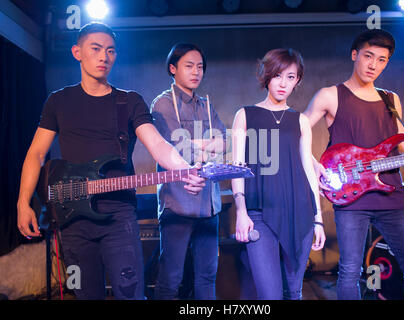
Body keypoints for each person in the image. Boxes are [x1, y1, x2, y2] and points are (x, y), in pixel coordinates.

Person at [16, 22, 205, 300]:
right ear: (77, 52)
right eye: (96, 49)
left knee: (130, 293)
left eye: (111, 51)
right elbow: (35, 154)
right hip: (71, 221)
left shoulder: (129, 102)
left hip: (119, 218)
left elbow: (158, 145)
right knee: (81, 293)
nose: (104, 56)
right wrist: (23, 203)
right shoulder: (58, 101)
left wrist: (184, 170)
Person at [304, 29, 404, 300]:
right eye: (368, 56)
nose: (373, 65)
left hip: (393, 197)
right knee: (349, 272)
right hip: (351, 201)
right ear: (354, 55)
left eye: (382, 60)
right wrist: (314, 165)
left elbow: (403, 148)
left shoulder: (390, 99)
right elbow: (297, 132)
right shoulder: (330, 95)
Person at [231, 48, 326, 300]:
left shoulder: (300, 121)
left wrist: (318, 218)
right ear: (267, 76)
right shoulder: (245, 115)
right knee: (269, 295)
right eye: (278, 75)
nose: (283, 83)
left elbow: (308, 169)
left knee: (294, 293)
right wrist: (241, 211)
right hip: (259, 214)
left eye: (291, 77)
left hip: (300, 213)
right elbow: (237, 168)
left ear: (298, 81)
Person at [150, 43, 227, 300]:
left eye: (200, 67)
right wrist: (205, 144)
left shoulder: (206, 104)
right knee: (171, 277)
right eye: (189, 66)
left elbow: (224, 142)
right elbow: (175, 148)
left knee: (207, 276)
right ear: (173, 68)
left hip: (209, 204)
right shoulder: (161, 105)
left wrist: (195, 145)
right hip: (177, 203)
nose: (196, 72)